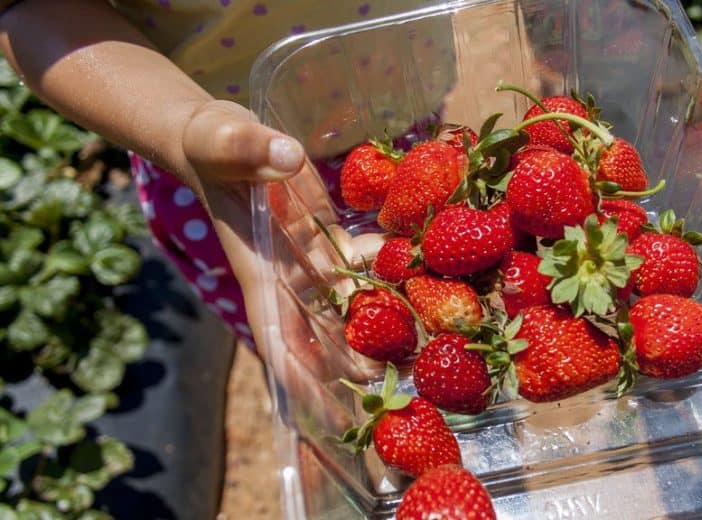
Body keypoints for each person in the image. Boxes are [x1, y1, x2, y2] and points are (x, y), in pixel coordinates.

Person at [0, 0, 442, 355]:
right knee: (316, 349)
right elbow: (28, 7)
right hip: (220, 177)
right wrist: (183, 127)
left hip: (398, 112)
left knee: (448, 294)